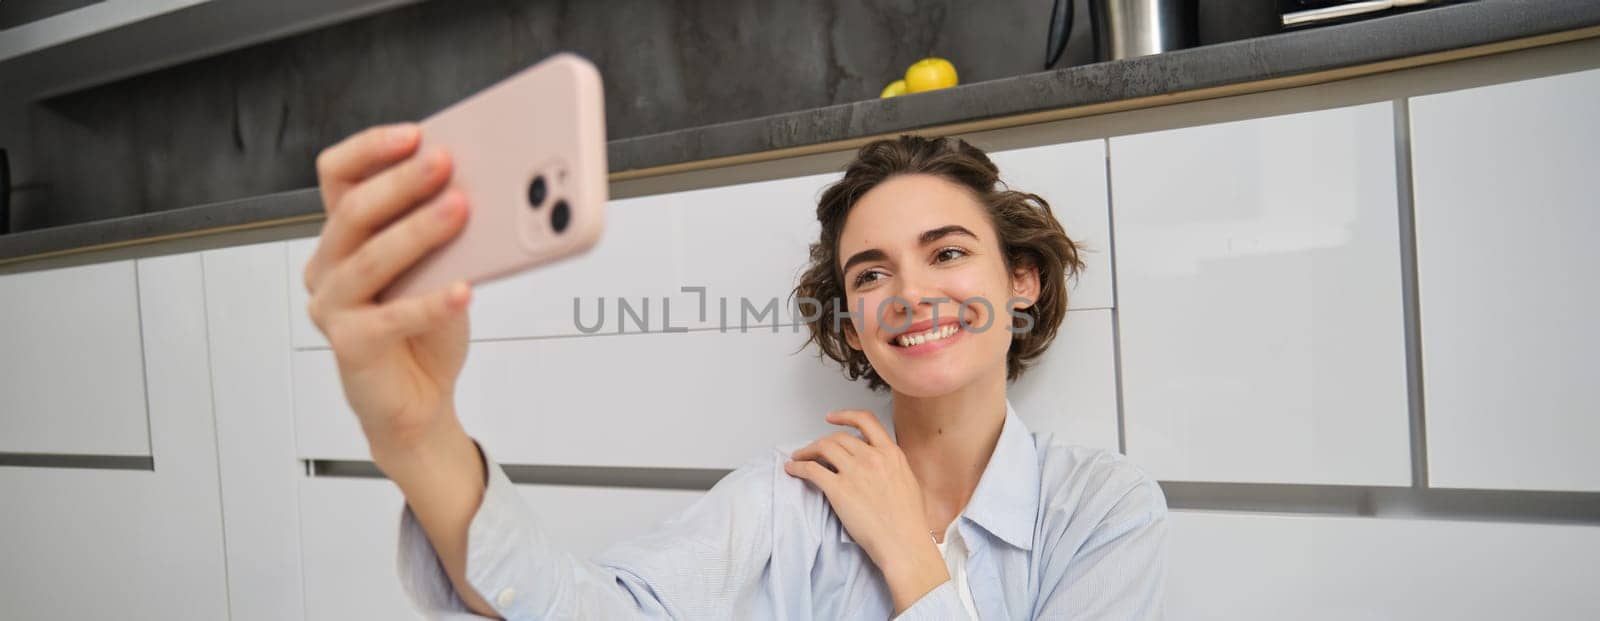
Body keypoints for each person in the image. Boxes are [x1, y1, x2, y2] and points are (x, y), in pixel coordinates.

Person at [305, 126, 1168, 619]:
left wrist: (908, 552)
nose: (910, 293)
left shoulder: (1104, 510)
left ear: (1022, 280)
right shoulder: (788, 499)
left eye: (947, 252)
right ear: (853, 324)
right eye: (870, 273)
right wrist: (420, 437)